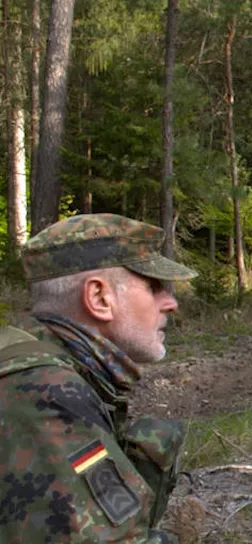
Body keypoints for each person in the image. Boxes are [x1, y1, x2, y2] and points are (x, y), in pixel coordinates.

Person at [0, 214, 198, 542]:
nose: (171, 303)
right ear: (99, 298)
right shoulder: (43, 395)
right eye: (153, 286)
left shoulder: (32, 367)